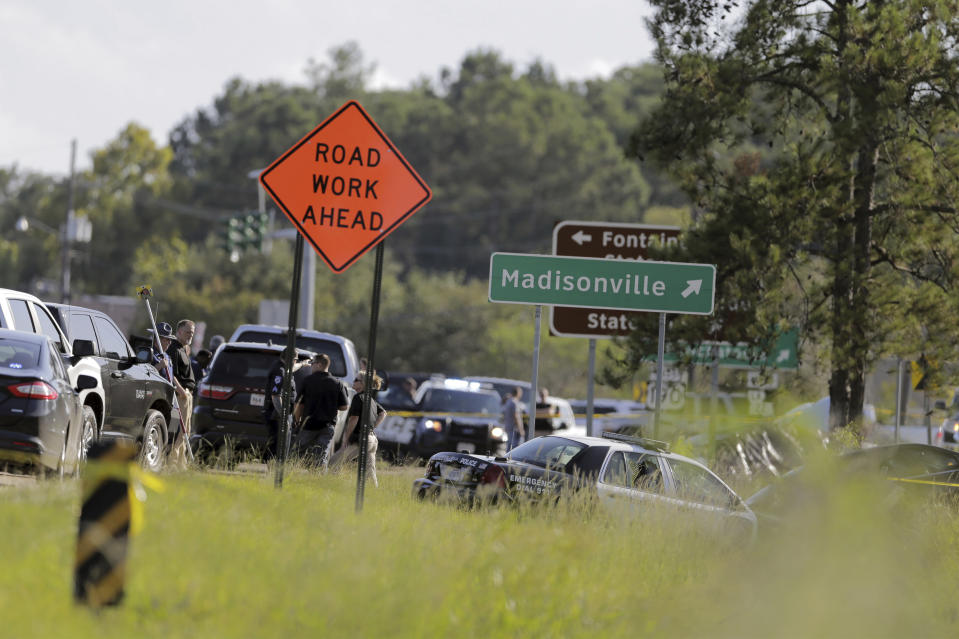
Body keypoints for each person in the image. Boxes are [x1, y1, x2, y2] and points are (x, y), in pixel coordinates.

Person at [292, 353, 349, 469]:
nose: (311, 366)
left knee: (296, 453)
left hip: (308, 425)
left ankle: (291, 476)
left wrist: (297, 421)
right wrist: (331, 405)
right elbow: (344, 406)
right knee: (321, 456)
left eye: (312, 364)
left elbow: (299, 405)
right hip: (327, 427)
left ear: (318, 365)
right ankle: (318, 480)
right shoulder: (337, 383)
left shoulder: (307, 381)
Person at [331, 371, 387, 487]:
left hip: (361, 440)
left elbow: (353, 419)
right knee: (370, 472)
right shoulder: (370, 399)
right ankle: (374, 492)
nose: (354, 382)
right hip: (372, 440)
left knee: (334, 462)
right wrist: (372, 426)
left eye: (356, 380)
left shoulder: (358, 398)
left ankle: (334, 486)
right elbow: (383, 413)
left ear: (363, 384)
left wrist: (346, 438)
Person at [263, 348, 312, 460]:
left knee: (283, 446)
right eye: (295, 359)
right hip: (278, 414)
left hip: (282, 414)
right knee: (279, 446)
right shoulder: (280, 371)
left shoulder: (285, 368)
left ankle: (276, 469)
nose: (296, 362)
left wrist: (302, 364)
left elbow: (292, 368)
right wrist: (284, 417)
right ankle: (275, 471)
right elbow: (275, 397)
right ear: (290, 359)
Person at [167, 319, 197, 465]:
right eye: (187, 332)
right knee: (180, 431)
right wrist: (181, 391)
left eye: (192, 333)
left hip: (188, 395)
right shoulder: (173, 348)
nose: (190, 335)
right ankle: (171, 463)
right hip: (181, 394)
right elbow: (170, 372)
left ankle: (181, 465)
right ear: (178, 332)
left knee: (187, 432)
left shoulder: (184, 349)